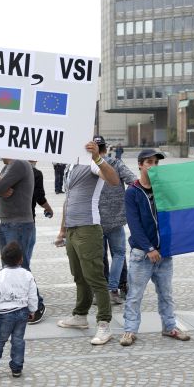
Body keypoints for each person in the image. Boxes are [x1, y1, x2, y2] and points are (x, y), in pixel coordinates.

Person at [120, 149, 190, 347]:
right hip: (142, 255)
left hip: (164, 253)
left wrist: (168, 187)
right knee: (135, 295)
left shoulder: (162, 189)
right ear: (140, 165)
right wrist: (149, 248)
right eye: (149, 162)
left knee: (166, 294)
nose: (153, 166)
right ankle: (130, 330)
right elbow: (134, 225)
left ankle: (170, 327)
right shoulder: (132, 192)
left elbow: (177, 206)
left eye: (156, 163)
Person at [55, 140, 119, 345]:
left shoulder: (92, 163)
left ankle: (104, 324)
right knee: (79, 276)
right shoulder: (71, 165)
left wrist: (98, 158)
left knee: (95, 277)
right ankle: (80, 315)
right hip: (73, 229)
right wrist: (62, 230)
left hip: (88, 228)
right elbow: (68, 200)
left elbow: (113, 180)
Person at [0, 159, 46, 324]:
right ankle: (17, 304)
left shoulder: (19, 164)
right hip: (7, 222)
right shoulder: (7, 167)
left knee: (21, 267)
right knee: (8, 267)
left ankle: (37, 305)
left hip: (18, 224)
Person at [0, 242, 38, 378]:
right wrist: (33, 310)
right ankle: (17, 368)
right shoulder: (27, 274)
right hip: (22, 312)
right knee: (18, 340)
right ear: (21, 259)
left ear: (2, 258)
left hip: (4, 315)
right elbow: (32, 294)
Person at [94, 135, 137, 305]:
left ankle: (102, 290)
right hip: (116, 219)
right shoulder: (115, 163)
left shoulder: (88, 165)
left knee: (100, 256)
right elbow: (134, 181)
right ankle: (114, 289)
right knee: (118, 254)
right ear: (106, 148)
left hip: (95, 220)